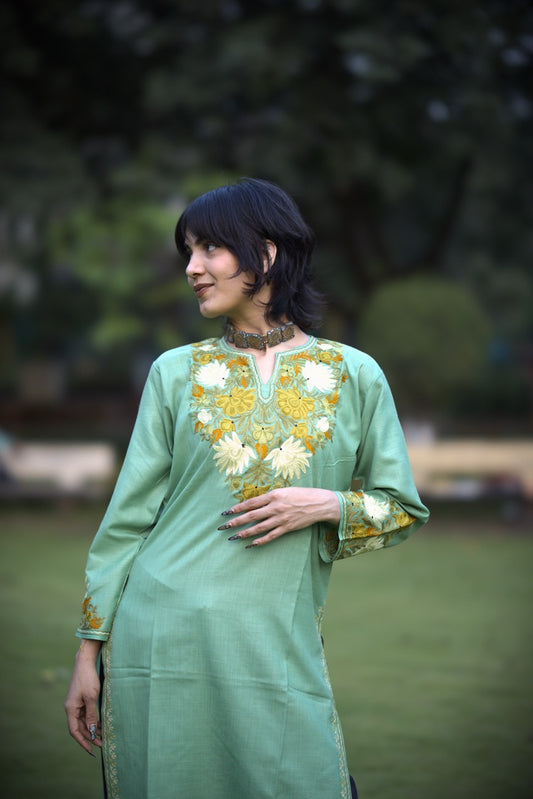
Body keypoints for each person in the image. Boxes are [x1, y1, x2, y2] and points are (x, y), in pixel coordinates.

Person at [64, 178, 429, 799]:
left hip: (274, 647)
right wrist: (86, 654)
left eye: (209, 249)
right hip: (158, 644)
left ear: (265, 254)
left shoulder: (354, 375)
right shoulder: (174, 373)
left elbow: (403, 509)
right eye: (189, 252)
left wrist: (326, 504)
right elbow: (128, 520)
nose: (192, 268)